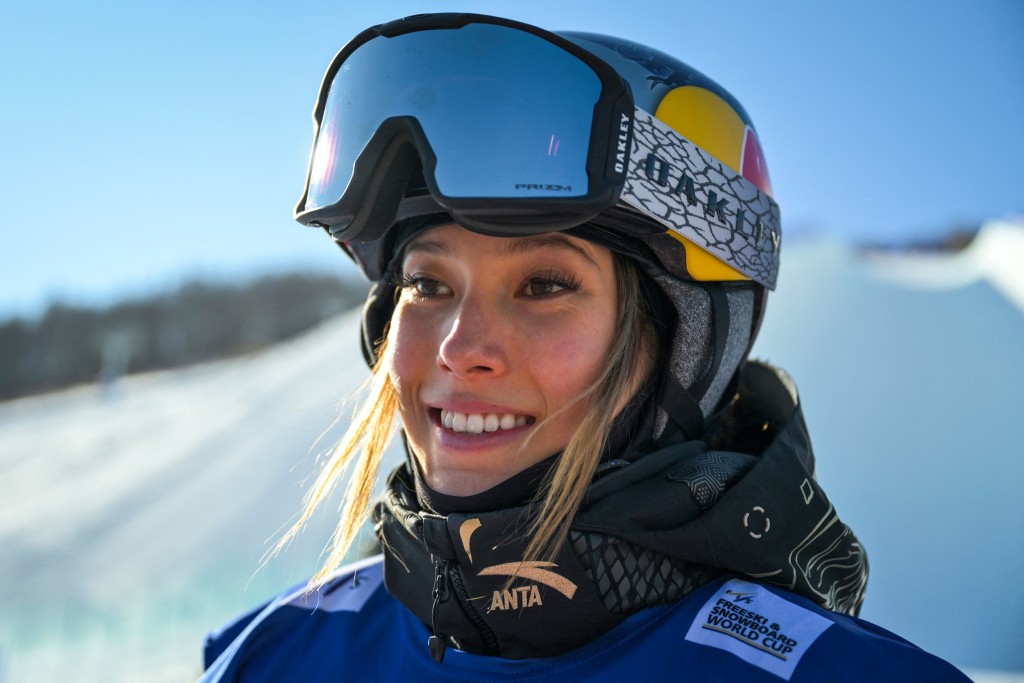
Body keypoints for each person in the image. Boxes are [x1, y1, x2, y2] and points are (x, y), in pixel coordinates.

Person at [199, 13, 968, 681]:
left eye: (544, 285)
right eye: (427, 284)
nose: (461, 348)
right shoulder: (277, 656)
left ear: (679, 346)